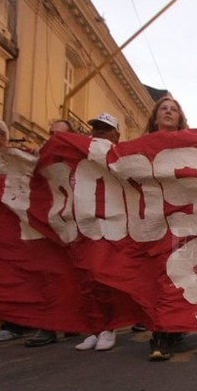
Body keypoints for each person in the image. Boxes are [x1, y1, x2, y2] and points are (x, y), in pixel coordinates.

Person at [0, 115, 59, 348]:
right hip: (1, 225)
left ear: (2, 136)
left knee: (36, 271)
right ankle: (11, 322)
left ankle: (41, 323)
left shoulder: (23, 157)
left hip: (31, 224)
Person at [141, 96, 189, 361]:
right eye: (164, 109)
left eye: (174, 110)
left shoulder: (191, 143)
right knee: (156, 276)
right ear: (155, 116)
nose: (169, 112)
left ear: (180, 118)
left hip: (181, 221)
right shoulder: (139, 146)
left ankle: (166, 331)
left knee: (175, 275)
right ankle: (164, 330)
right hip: (150, 220)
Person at [73, 113, 123, 352]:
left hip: (116, 225)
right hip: (86, 223)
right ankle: (95, 329)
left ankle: (109, 328)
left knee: (106, 278)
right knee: (88, 278)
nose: (99, 133)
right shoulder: (81, 156)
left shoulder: (125, 158)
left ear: (116, 135)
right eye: (96, 129)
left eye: (105, 129)